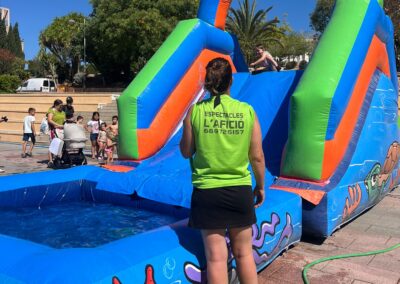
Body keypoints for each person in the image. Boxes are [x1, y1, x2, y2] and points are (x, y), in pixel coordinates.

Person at [180, 58, 265, 284]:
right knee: (244, 254)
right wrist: (261, 186)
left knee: (217, 259)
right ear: (231, 82)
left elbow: (186, 151)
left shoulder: (195, 111)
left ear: (207, 82)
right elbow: (256, 156)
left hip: (207, 191)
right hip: (239, 190)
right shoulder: (247, 111)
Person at [47, 99, 66, 168]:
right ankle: (50, 161)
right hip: (54, 130)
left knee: (60, 145)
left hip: (61, 130)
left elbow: (64, 120)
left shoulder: (63, 112)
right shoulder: (52, 110)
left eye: (62, 105)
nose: (61, 107)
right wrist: (58, 125)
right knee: (53, 145)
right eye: (60, 106)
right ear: (56, 105)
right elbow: (49, 120)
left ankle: (58, 159)